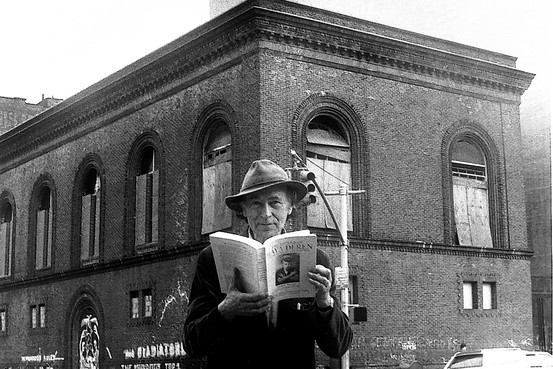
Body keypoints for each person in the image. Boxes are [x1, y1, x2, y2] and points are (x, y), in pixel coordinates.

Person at [183, 159, 353, 369]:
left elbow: (338, 346)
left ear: (290, 207)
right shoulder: (212, 258)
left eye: (275, 203)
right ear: (243, 210)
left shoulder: (315, 259)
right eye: (255, 204)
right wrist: (223, 311)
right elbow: (192, 344)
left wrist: (324, 302)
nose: (265, 214)